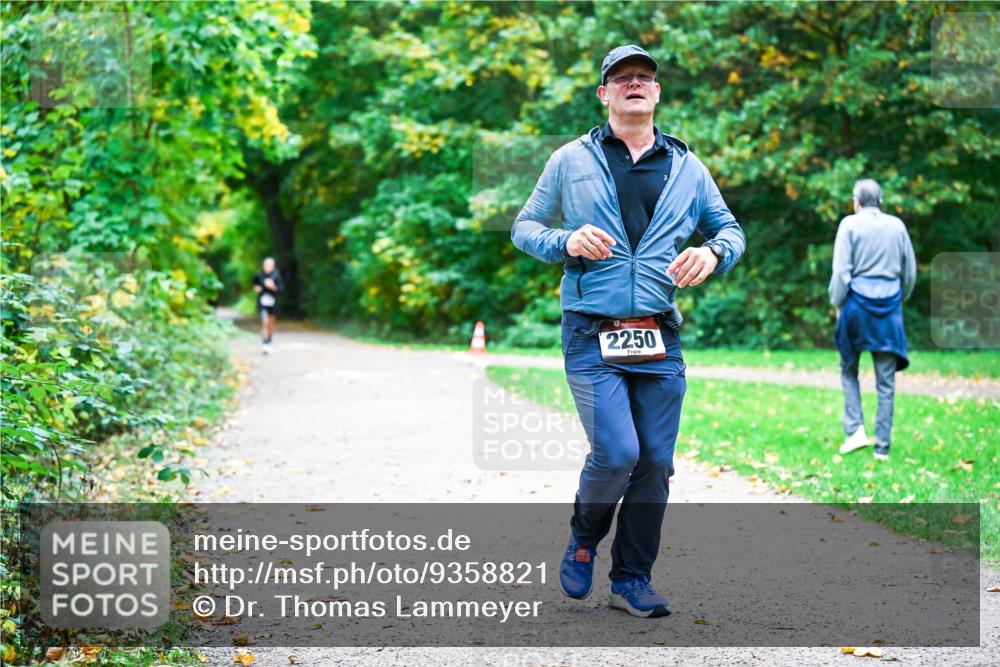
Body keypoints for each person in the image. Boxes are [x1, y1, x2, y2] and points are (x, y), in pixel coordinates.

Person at [511, 45, 745, 618]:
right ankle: (585, 537)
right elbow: (524, 227)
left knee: (656, 462)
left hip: (660, 336)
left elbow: (730, 231)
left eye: (644, 77)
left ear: (657, 93)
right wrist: (563, 241)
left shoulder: (689, 168)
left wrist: (713, 254)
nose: (635, 84)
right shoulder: (570, 159)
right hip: (593, 334)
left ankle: (632, 580)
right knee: (616, 453)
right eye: (623, 78)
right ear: (605, 94)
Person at [829, 179, 916, 461]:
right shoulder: (897, 226)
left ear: (856, 201)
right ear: (880, 201)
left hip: (855, 307)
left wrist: (837, 303)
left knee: (848, 369)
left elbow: (842, 272)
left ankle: (855, 431)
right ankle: (882, 448)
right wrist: (898, 301)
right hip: (889, 308)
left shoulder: (849, 225)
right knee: (886, 381)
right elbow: (910, 272)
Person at [252, 257, 284, 355]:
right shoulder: (259, 275)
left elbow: (281, 290)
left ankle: (269, 341)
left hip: (272, 302)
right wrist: (257, 288)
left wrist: (273, 287)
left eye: (270, 265)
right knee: (264, 321)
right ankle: (264, 343)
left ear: (273, 266)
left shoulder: (276, 276)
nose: (268, 267)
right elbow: (255, 286)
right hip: (262, 302)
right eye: (266, 265)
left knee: (270, 323)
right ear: (263, 266)